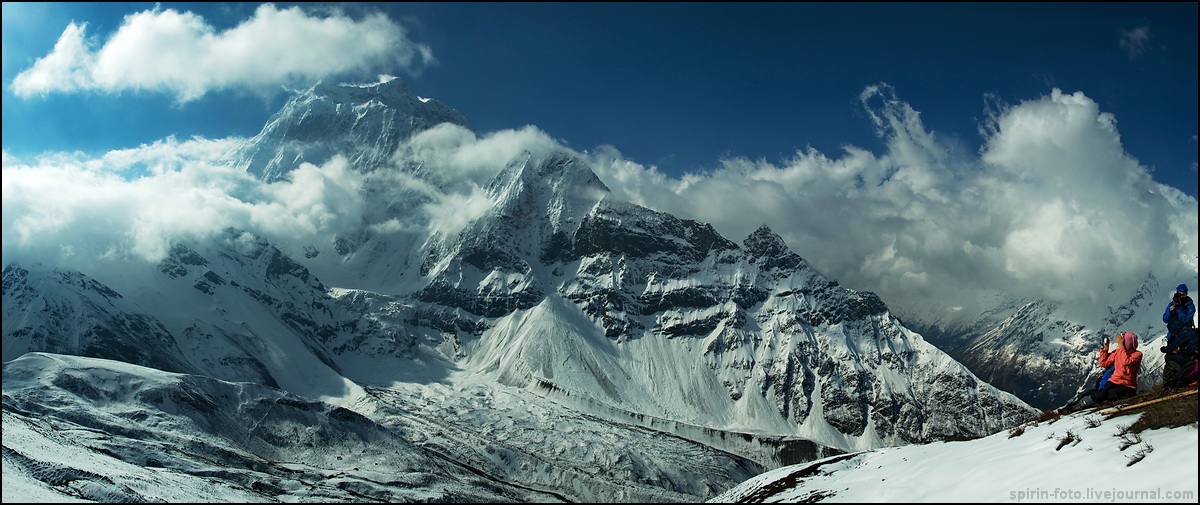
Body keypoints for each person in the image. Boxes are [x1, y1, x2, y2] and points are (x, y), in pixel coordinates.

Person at [1090, 331, 1142, 404]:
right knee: (1097, 396)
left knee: (1112, 395)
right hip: (1114, 381)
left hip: (1128, 385)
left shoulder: (1137, 354)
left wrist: (1121, 346)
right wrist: (1105, 349)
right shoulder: (1118, 352)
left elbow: (1126, 362)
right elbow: (1103, 363)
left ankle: (1124, 395)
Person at [1161, 283, 1196, 386]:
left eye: (1183, 294)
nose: (1181, 296)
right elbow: (1165, 319)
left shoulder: (1190, 305)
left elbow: (1186, 319)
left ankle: (1185, 378)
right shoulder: (1172, 304)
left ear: (1186, 294)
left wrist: (1180, 307)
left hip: (1185, 335)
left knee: (1183, 356)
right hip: (1173, 335)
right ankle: (1171, 381)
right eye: (1179, 294)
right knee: (1172, 356)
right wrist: (1170, 311)